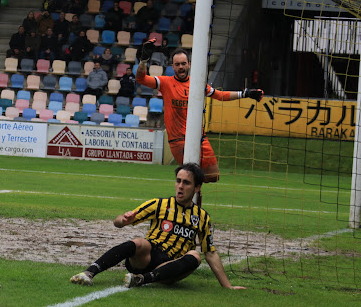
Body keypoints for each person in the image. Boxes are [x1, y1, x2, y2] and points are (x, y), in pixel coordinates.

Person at [70, 163, 246, 290]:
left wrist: (227, 286)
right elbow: (118, 223)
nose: (180, 186)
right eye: (178, 181)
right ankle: (89, 273)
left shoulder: (202, 217)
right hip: (147, 257)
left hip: (171, 268)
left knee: (195, 255)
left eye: (186, 183)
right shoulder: (160, 205)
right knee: (140, 242)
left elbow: (211, 252)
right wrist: (123, 220)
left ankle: (141, 280)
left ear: (197, 188)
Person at [136, 43, 264, 183]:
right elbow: (141, 79)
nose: (181, 67)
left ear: (189, 64)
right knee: (190, 178)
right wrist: (143, 61)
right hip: (178, 141)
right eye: (177, 64)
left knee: (213, 176)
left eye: (183, 63)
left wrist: (245, 93)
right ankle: (189, 196)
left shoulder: (197, 84)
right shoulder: (165, 82)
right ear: (172, 67)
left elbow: (220, 95)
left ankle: (190, 189)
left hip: (200, 138)